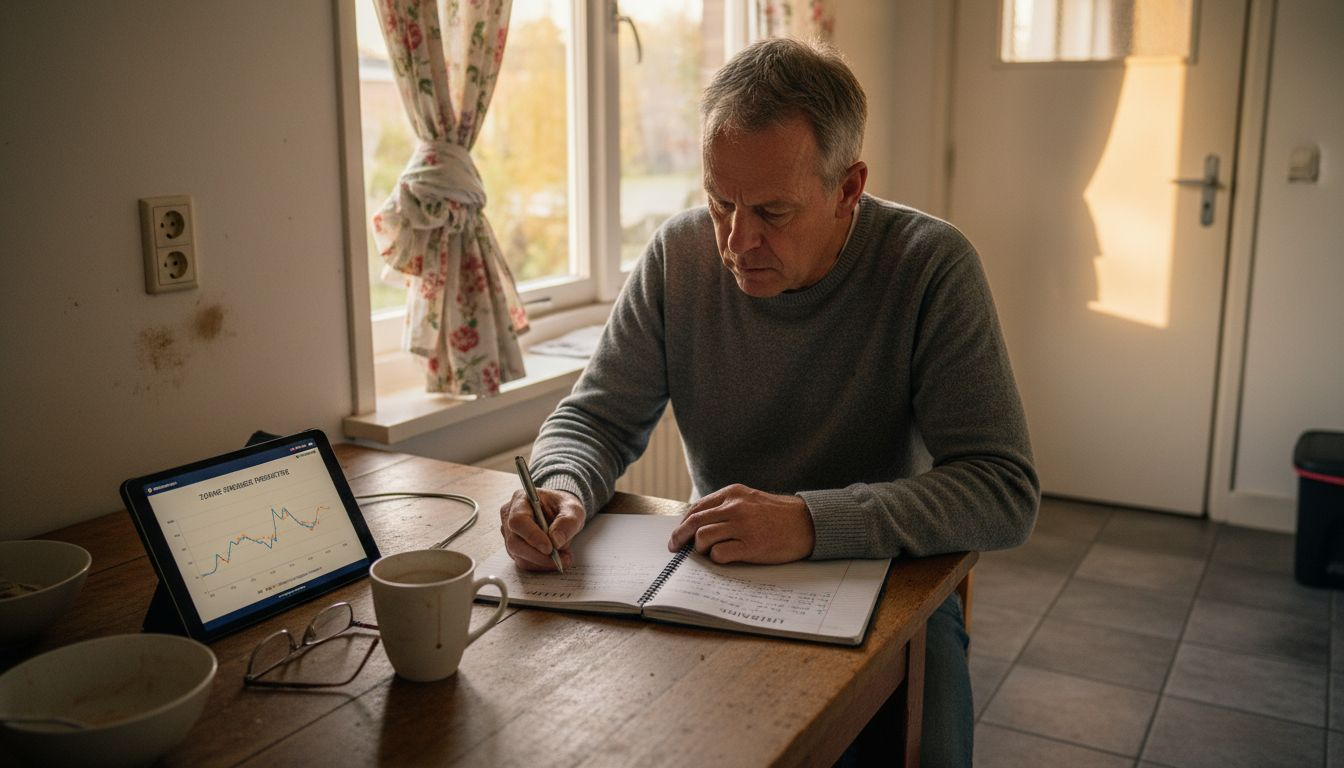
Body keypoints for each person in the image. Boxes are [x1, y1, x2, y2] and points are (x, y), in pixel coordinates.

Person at [497, 36, 1038, 766]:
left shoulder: (930, 266)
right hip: (715, 575)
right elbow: (596, 417)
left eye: (773, 212)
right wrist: (559, 485)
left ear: (848, 188)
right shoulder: (678, 255)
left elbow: (1002, 490)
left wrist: (813, 522)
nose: (736, 240)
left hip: (890, 580)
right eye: (721, 201)